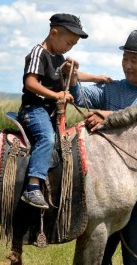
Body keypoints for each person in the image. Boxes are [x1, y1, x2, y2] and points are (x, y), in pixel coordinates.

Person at [69, 29, 137, 264]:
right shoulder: (112, 88)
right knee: (100, 255)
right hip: (107, 188)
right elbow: (81, 96)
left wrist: (107, 116)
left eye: (134, 60)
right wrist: (71, 79)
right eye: (125, 59)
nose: (128, 66)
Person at [19, 13, 109, 209]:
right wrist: (57, 95)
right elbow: (31, 82)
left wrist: (97, 78)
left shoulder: (58, 57)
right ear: (54, 33)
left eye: (73, 45)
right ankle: (32, 186)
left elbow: (73, 75)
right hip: (34, 109)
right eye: (68, 42)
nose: (69, 47)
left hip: (51, 111)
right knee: (47, 138)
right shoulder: (38, 53)